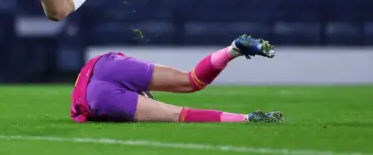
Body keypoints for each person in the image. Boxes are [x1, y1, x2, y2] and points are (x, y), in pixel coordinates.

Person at [71, 34, 284, 123]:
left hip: (97, 97)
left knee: (178, 114)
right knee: (190, 80)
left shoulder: (96, 99)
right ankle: (233, 49)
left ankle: (247, 119)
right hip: (105, 64)